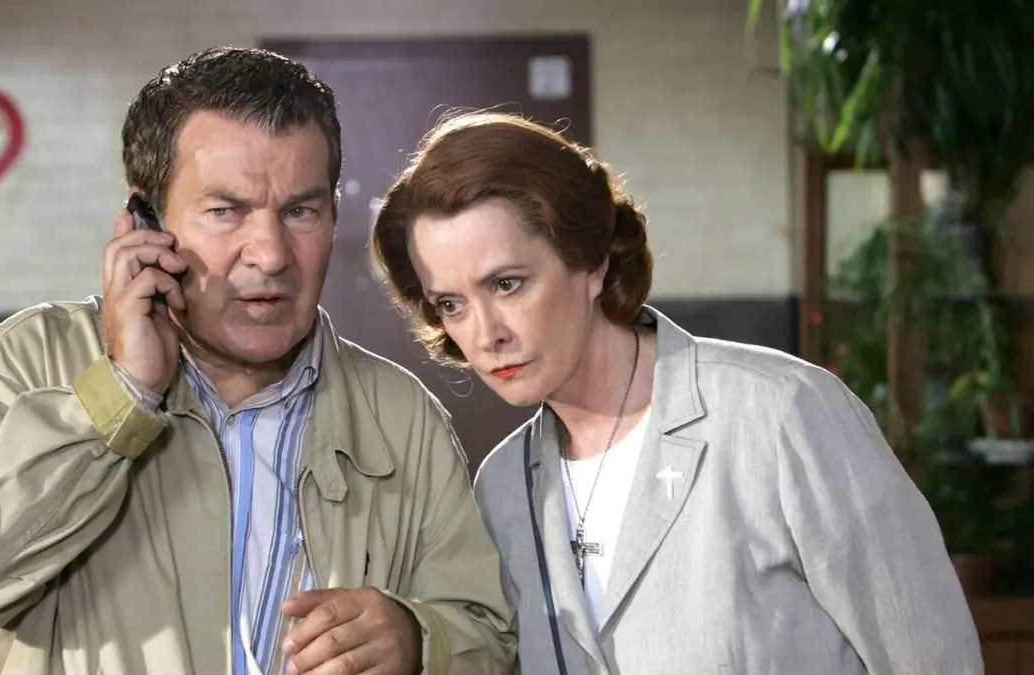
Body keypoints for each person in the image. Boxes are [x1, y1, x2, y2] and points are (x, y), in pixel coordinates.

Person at [0, 48, 516, 675]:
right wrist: (119, 394)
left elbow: (491, 638)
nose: (270, 254)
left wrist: (417, 640)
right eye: (224, 211)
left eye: (300, 211)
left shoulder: (402, 417)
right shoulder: (31, 361)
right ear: (144, 221)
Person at [368, 110, 984, 674]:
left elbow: (934, 660)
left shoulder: (781, 415)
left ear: (591, 262)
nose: (486, 335)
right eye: (451, 304)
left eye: (507, 284)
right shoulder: (504, 485)